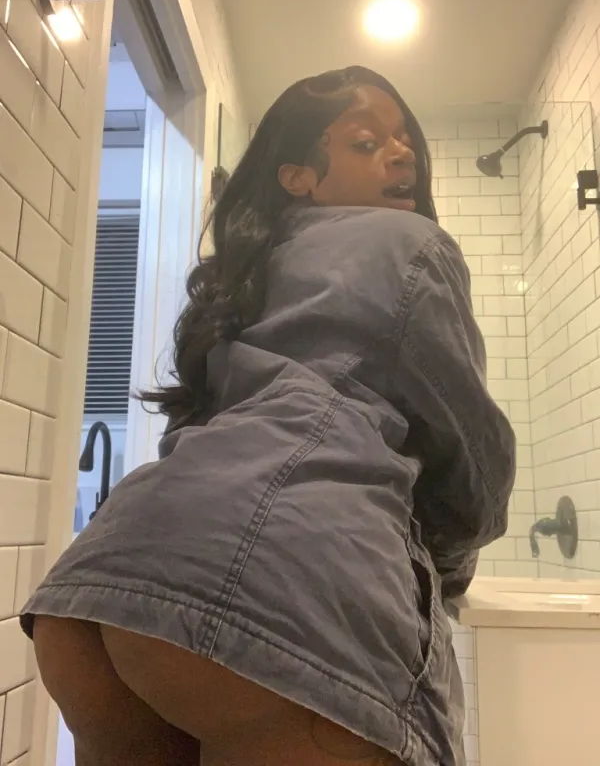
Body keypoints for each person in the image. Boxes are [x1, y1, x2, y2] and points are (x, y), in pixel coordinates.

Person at [21, 66, 516, 766]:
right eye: (367, 142)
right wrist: (446, 575)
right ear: (298, 176)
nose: (402, 153)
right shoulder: (410, 244)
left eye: (405, 140)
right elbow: (473, 458)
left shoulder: (239, 274)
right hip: (275, 593)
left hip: (100, 588)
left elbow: (190, 429)